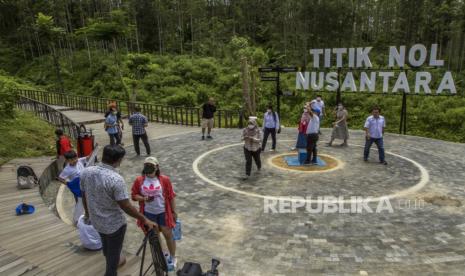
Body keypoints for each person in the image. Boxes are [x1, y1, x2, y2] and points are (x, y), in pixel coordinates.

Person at [80, 145, 157, 276]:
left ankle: (115, 260)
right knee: (112, 257)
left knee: (107, 247)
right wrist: (144, 219)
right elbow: (125, 205)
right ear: (119, 159)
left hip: (96, 220)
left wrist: (87, 212)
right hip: (114, 225)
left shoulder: (86, 172)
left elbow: (84, 194)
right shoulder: (116, 179)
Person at [131, 157, 177, 271]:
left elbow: (171, 196)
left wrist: (174, 212)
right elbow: (134, 195)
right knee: (156, 237)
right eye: (146, 165)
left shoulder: (164, 179)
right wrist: (144, 198)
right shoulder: (139, 180)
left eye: (151, 166)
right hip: (148, 214)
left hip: (163, 212)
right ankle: (162, 256)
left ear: (157, 167)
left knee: (168, 234)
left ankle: (172, 256)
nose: (149, 168)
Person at [57, 150, 90, 225]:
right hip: (77, 188)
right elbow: (60, 178)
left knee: (85, 201)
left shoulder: (79, 161)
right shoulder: (67, 169)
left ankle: (85, 215)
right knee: (80, 202)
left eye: (75, 158)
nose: (74, 161)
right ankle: (76, 219)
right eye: (71, 160)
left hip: (85, 184)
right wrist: (70, 184)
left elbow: (88, 158)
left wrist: (95, 149)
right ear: (67, 160)